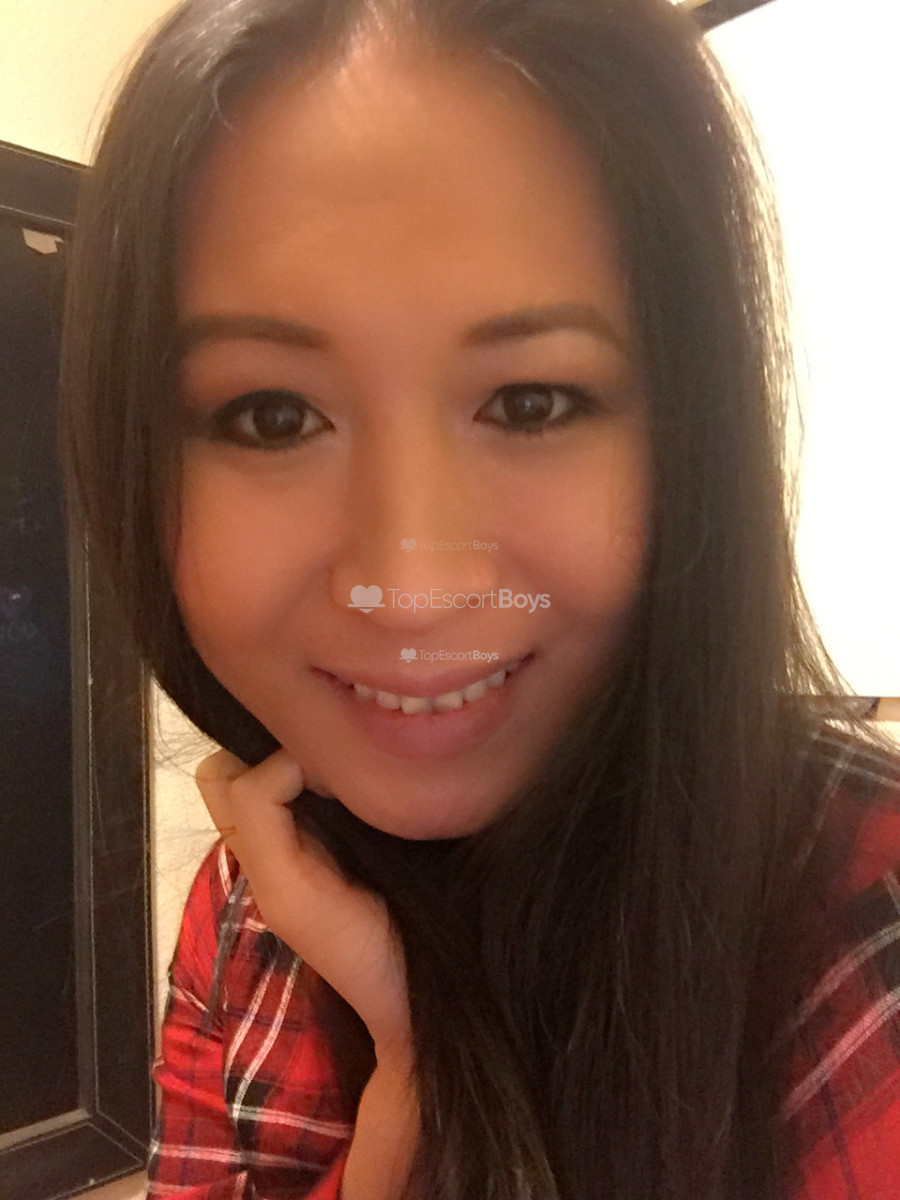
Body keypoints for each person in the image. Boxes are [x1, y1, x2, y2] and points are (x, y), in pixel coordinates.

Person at [59, 0, 900, 1196]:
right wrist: (417, 1081)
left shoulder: (866, 926)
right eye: (272, 415)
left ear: (692, 439)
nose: (410, 590)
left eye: (531, 403)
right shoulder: (254, 913)